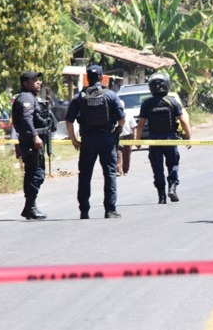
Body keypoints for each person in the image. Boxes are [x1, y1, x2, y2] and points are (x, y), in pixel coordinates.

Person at [65, 65, 125, 219]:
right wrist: (119, 128)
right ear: (100, 77)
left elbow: (69, 121)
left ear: (87, 78)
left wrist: (74, 140)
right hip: (107, 139)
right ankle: (110, 210)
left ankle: (84, 211)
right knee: (110, 174)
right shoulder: (111, 95)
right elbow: (121, 118)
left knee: (85, 175)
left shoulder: (80, 97)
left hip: (88, 140)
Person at [136, 72, 192, 204]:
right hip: (170, 139)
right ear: (166, 85)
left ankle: (161, 196)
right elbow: (183, 121)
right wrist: (188, 137)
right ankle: (172, 187)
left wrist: (137, 141)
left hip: (154, 140)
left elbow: (140, 124)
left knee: (157, 168)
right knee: (172, 164)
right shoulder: (172, 102)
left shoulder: (147, 103)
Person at [11, 70, 57, 220]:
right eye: (34, 80)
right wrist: (36, 137)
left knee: (33, 173)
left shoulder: (31, 97)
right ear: (25, 83)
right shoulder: (26, 98)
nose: (39, 82)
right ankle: (30, 207)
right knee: (35, 174)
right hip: (32, 143)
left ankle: (29, 207)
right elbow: (26, 120)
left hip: (32, 143)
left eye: (38, 80)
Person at [116, 99, 137, 176]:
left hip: (128, 137)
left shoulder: (128, 114)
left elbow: (134, 127)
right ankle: (118, 170)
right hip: (118, 137)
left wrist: (135, 137)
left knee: (127, 154)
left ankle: (125, 170)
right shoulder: (113, 114)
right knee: (118, 154)